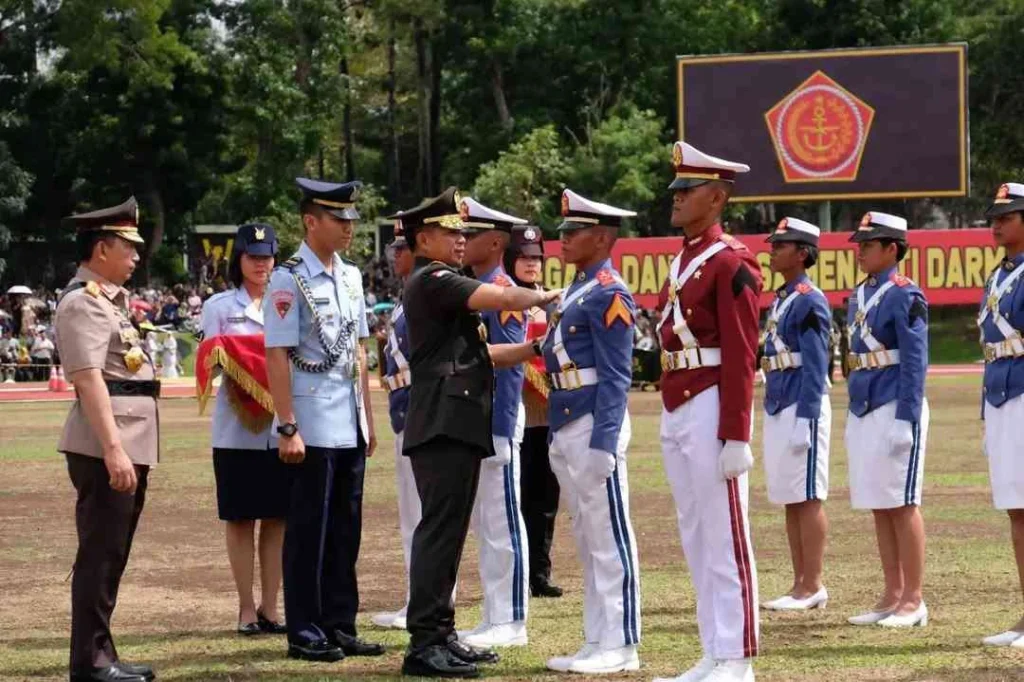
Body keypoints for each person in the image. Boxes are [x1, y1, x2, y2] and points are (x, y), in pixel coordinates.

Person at [398, 187, 559, 679]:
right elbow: (504, 295)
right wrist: (545, 297)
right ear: (425, 238)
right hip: (444, 422)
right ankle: (424, 642)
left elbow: (481, 356)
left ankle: (442, 633)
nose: (461, 240)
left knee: (447, 535)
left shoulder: (442, 282)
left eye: (464, 233)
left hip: (456, 420)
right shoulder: (435, 279)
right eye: (451, 232)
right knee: (438, 534)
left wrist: (532, 351)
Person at [654, 142, 762, 682]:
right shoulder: (682, 258)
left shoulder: (731, 261)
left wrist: (737, 434)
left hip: (712, 399)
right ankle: (712, 650)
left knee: (726, 535)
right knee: (696, 533)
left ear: (716, 197)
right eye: (675, 189)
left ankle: (737, 658)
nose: (675, 199)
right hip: (678, 396)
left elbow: (743, 352)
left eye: (687, 190)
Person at [263, 177, 383, 662]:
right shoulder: (287, 279)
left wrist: (368, 418)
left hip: (348, 420)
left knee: (345, 527)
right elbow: (277, 353)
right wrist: (287, 424)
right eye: (339, 218)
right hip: (310, 420)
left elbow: (357, 351)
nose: (349, 227)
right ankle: (305, 627)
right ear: (310, 222)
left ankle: (340, 621)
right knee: (308, 528)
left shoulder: (350, 276)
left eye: (352, 218)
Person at [54, 196, 158, 682]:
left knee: (111, 554)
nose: (136, 258)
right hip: (106, 444)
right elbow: (89, 378)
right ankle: (91, 663)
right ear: (101, 250)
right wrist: (114, 447)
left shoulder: (106, 300)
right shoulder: (83, 303)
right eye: (128, 248)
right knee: (100, 555)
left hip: (125, 440)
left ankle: (103, 653)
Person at [542, 189, 642, 675]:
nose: (563, 239)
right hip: (566, 420)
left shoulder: (609, 292)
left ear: (601, 237)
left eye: (573, 231)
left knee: (609, 537)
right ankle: (596, 637)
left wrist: (605, 440)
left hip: (592, 423)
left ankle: (621, 643)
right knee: (587, 538)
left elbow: (617, 375)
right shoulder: (578, 288)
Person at [200, 223, 290, 636]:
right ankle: (245, 609)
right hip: (236, 428)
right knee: (239, 519)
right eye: (253, 257)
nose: (261, 264)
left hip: (282, 426)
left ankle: (271, 606)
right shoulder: (219, 306)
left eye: (267, 256)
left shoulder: (287, 302)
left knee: (277, 519)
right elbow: (208, 360)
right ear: (239, 260)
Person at [844, 211, 930, 628]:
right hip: (865, 402)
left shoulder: (905, 294)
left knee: (903, 502)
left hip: (895, 401)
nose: (859, 252)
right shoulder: (859, 294)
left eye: (867, 245)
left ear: (891, 249)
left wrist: (906, 417)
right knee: (880, 503)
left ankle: (914, 599)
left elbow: (915, 360)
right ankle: (891, 593)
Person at [457, 197, 531, 648]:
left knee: (503, 520)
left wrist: (501, 428)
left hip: (496, 419)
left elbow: (511, 363)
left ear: (497, 241)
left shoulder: (503, 291)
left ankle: (512, 620)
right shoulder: (478, 286)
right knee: (486, 523)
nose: (462, 242)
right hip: (477, 419)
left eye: (472, 235)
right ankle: (493, 614)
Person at [759, 217, 832, 612]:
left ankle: (813, 583)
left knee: (808, 496)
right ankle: (799, 582)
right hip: (779, 399)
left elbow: (816, 364)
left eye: (781, 245)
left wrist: (808, 416)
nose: (772, 250)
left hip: (803, 403)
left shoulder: (809, 299)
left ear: (801, 253)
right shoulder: (784, 296)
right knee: (791, 496)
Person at [505, 224, 564, 599]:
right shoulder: (504, 301)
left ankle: (539, 573)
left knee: (546, 498)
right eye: (525, 258)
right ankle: (518, 572)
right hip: (517, 410)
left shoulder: (552, 303)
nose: (531, 264)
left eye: (536, 259)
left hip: (551, 412)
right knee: (518, 494)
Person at [977, 183, 1024, 647]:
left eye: (1007, 215)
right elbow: (990, 351)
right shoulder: (996, 277)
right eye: (994, 215)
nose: (997, 222)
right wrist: (985, 415)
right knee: (1016, 509)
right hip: (1002, 395)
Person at [371, 215, 423, 630]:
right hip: (403, 410)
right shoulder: (406, 298)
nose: (395, 256)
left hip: (421, 412)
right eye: (393, 249)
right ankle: (414, 599)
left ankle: (425, 602)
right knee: (410, 518)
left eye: (401, 249)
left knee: (423, 518)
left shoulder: (423, 294)